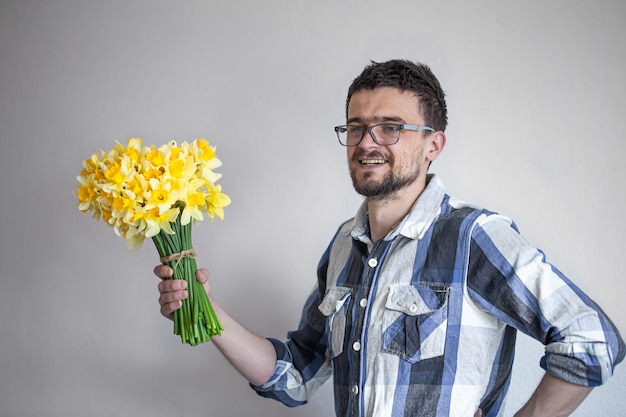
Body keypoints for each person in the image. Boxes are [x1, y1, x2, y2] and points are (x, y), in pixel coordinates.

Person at [155, 59, 625, 417]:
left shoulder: (472, 237)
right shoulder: (343, 246)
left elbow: (592, 339)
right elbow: (296, 376)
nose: (367, 141)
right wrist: (204, 307)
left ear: (433, 145)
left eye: (391, 128)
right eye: (356, 127)